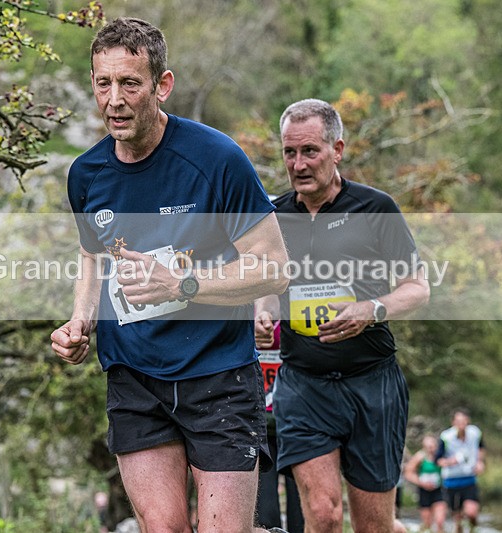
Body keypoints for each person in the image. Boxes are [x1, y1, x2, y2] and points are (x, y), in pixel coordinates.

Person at [50, 17, 289, 533]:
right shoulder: (86, 174)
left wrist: (182, 283)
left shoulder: (217, 159)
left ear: (162, 85)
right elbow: (92, 256)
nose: (114, 100)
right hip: (134, 376)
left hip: (218, 373)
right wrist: (80, 321)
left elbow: (273, 269)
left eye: (129, 84)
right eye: (103, 83)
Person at [254, 98, 430, 533]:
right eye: (289, 152)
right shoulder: (274, 217)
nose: (298, 164)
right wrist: (262, 312)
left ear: (337, 150)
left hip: (372, 382)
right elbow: (269, 287)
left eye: (309, 151)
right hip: (304, 384)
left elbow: (418, 288)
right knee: (324, 515)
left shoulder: (375, 208)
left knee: (374, 526)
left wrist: (371, 309)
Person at [255, 320, 304, 533]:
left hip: (298, 424)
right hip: (260, 426)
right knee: (266, 513)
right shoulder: (245, 312)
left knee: (302, 513)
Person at [436, 409, 485, 533]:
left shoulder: (475, 433)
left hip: (469, 479)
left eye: (463, 421)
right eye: (458, 421)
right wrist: (450, 462)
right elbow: (438, 460)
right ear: (453, 422)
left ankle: (474, 527)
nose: (461, 424)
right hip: (451, 481)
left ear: (468, 421)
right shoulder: (446, 437)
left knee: (471, 512)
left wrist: (480, 462)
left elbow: (481, 447)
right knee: (457, 518)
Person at [404, 435, 447, 532]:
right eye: (428, 447)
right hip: (424, 491)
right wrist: (421, 482)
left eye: (432, 446)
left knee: (440, 521)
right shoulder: (420, 457)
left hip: (438, 490)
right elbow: (408, 473)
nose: (430, 449)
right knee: (427, 522)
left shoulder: (440, 456)